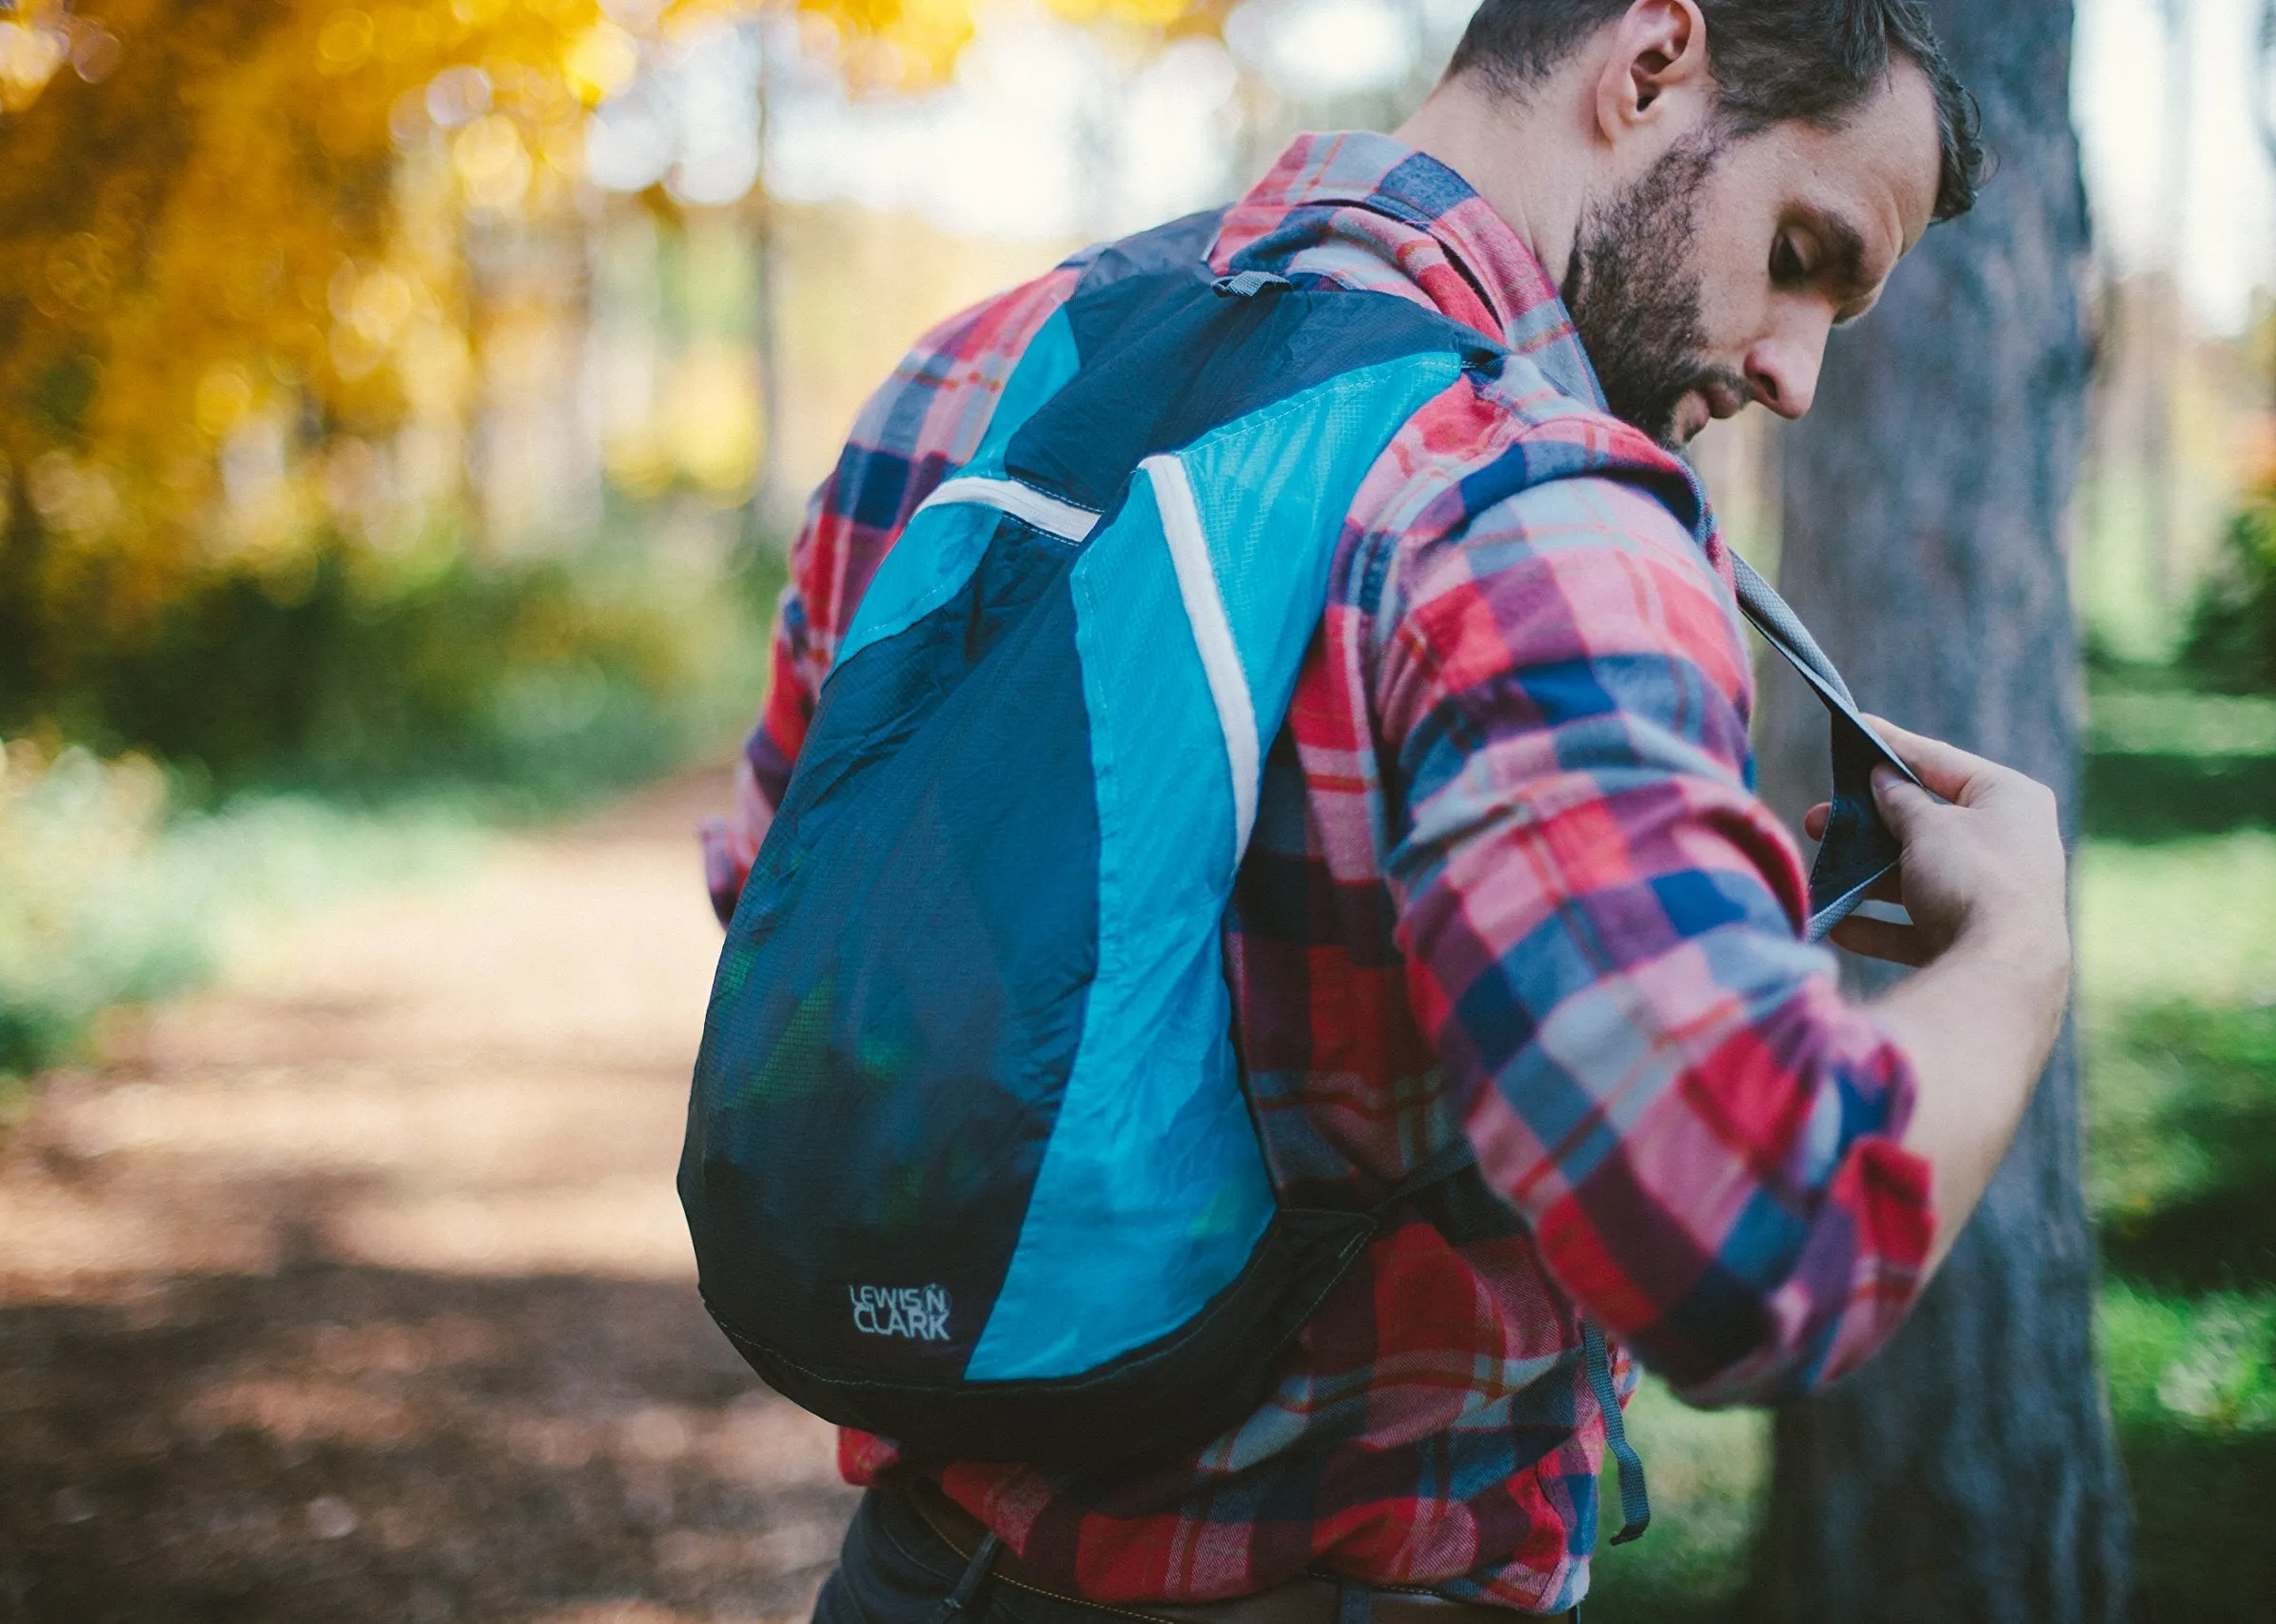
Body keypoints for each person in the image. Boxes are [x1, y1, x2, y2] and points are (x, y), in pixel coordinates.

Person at [699, 1, 2070, 1618]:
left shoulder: (970, 373)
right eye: (1801, 249)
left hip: (912, 1574)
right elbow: (1755, 1235)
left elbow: (783, 898)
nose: (1793, 372)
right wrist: (2017, 959)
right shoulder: (1542, 509)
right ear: (1650, 62)